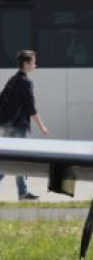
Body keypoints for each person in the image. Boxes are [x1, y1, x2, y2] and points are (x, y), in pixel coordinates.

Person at [0, 50, 50, 200]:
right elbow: (31, 107)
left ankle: (23, 192)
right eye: (33, 62)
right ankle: (23, 192)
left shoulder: (13, 80)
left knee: (14, 160)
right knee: (16, 161)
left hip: (8, 125)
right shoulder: (26, 82)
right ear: (26, 64)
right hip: (18, 127)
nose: (35, 65)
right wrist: (42, 127)